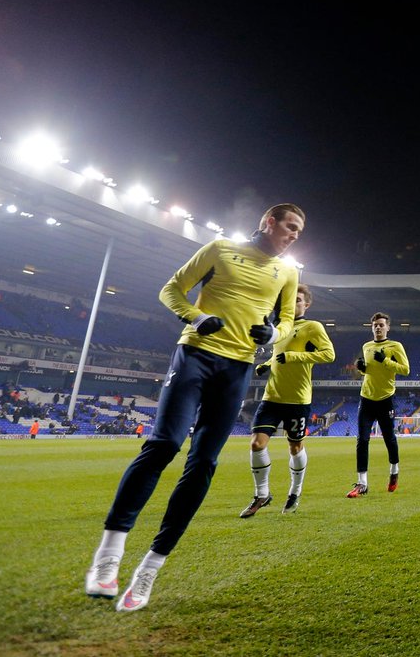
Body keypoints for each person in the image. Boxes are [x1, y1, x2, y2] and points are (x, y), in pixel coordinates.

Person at [85, 203, 303, 612]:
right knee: (164, 444)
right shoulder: (220, 249)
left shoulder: (289, 272)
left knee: (204, 462)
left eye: (298, 232)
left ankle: (149, 568)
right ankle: (108, 557)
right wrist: (197, 316)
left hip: (237, 369)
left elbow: (288, 321)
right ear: (268, 222)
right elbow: (170, 290)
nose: (293, 235)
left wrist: (273, 334)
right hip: (196, 355)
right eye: (289, 227)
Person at [240, 283, 335, 517]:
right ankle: (262, 494)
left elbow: (328, 354)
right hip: (272, 396)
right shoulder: (280, 328)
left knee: (295, 447)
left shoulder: (313, 327)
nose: (294, 304)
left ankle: (295, 491)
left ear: (307, 304)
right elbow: (277, 356)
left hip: (298, 399)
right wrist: (265, 365)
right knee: (256, 444)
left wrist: (292, 356)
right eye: (291, 300)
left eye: (298, 300)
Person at [349, 312, 409, 496]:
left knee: (389, 438)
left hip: (385, 399)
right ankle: (362, 483)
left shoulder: (395, 346)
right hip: (366, 398)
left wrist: (386, 361)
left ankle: (394, 472)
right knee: (362, 440)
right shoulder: (366, 346)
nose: (378, 328)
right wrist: (362, 369)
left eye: (381, 325)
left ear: (388, 327)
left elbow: (405, 370)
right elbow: (370, 371)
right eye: (375, 325)